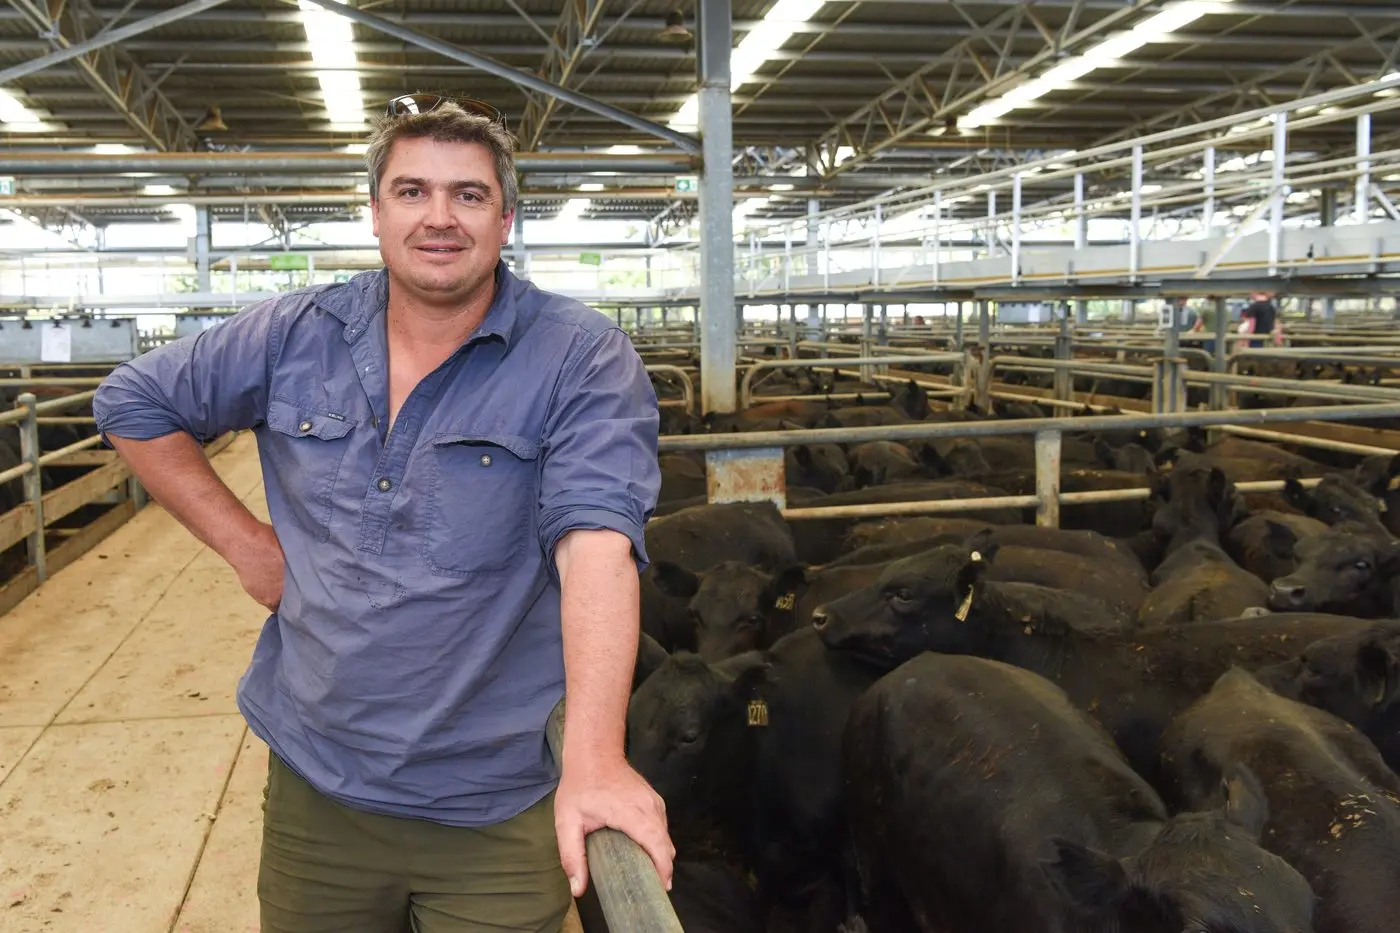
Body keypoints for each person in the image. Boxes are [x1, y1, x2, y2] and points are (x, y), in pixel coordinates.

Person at [91, 94, 672, 933]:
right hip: (317, 786)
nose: (440, 217)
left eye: (469, 195)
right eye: (412, 191)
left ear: (507, 218)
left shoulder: (579, 356)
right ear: (374, 213)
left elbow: (597, 545)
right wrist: (247, 544)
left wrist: (593, 757)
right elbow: (134, 402)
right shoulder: (298, 330)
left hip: (495, 804)